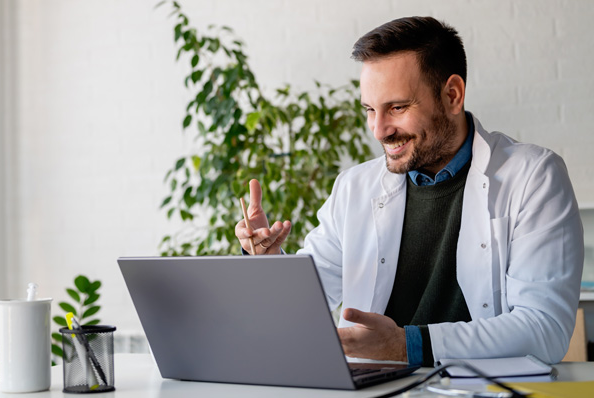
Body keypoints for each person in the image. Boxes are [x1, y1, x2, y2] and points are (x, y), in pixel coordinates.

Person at [235, 16, 584, 366]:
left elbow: (544, 330)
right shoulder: (354, 188)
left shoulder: (533, 177)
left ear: (452, 95)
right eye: (370, 110)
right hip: (372, 388)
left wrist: (407, 345)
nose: (379, 130)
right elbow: (305, 305)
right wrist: (267, 264)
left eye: (397, 108)